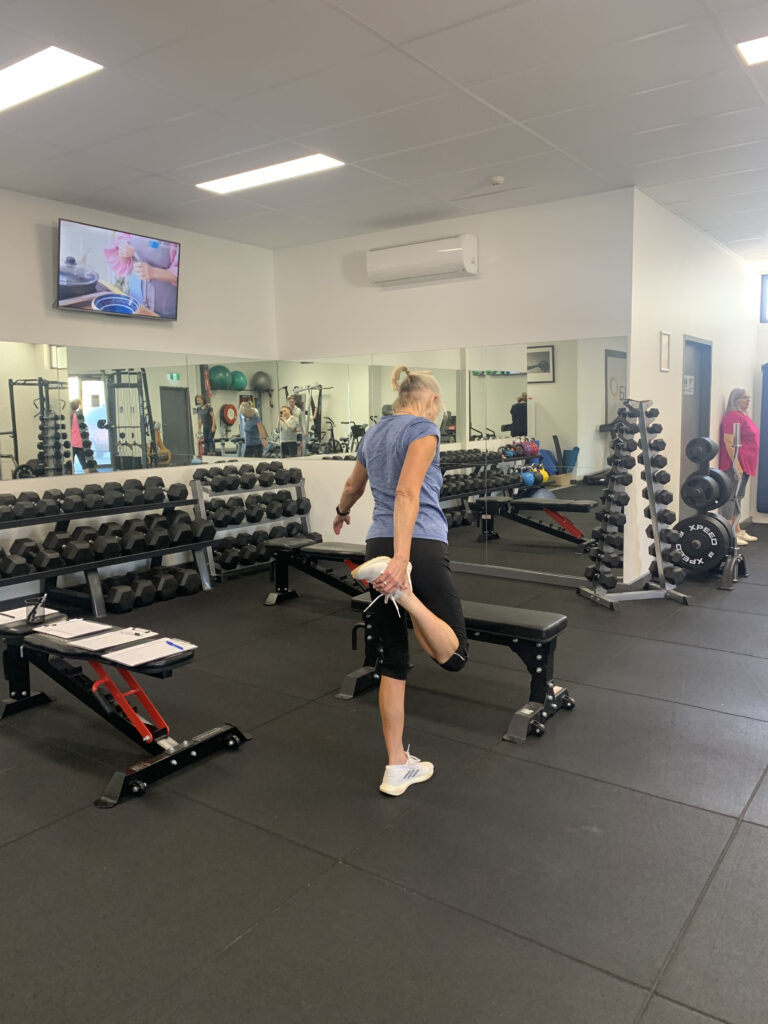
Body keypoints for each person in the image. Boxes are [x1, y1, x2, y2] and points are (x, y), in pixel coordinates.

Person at [333, 366, 468, 797]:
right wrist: (404, 560)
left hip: (377, 544)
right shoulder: (424, 429)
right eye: (438, 405)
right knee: (456, 654)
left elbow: (354, 485)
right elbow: (409, 494)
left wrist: (340, 511)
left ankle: (396, 765)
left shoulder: (373, 434)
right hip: (419, 545)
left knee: (392, 659)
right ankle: (408, 597)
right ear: (428, 400)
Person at [719, 387, 760, 545]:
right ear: (735, 400)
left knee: (739, 496)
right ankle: (728, 533)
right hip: (735, 462)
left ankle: (737, 530)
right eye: (744, 397)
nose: (748, 400)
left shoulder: (744, 416)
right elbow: (729, 441)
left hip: (746, 462)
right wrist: (736, 465)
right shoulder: (732, 416)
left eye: (749, 397)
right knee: (731, 496)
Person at [70, 398, 86, 472]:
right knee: (84, 464)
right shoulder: (80, 417)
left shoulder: (69, 416)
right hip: (80, 444)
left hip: (72, 444)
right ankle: (89, 478)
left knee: (70, 465)